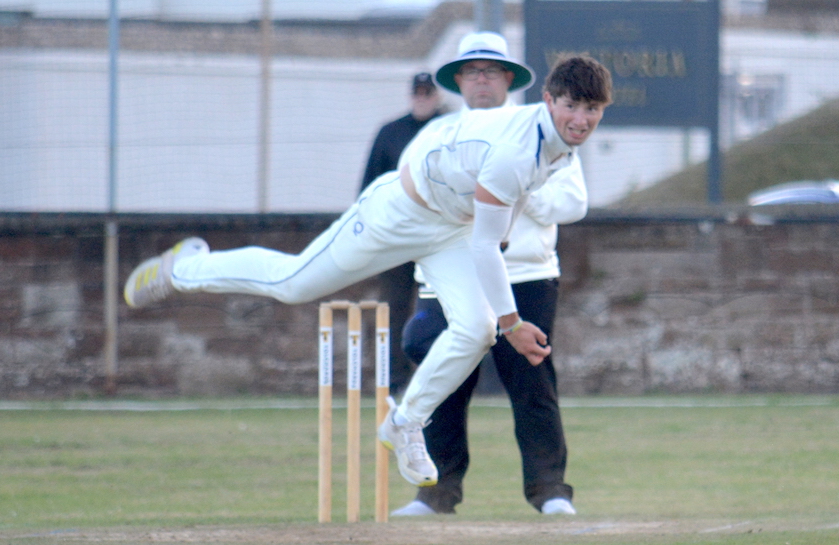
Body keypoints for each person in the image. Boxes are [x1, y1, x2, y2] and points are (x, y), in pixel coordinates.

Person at [123, 55, 613, 492]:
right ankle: (185, 267)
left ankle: (405, 422)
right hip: (397, 214)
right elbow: (488, 243)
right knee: (294, 284)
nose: (581, 119)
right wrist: (514, 323)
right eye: (571, 106)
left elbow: (504, 209)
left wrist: (500, 311)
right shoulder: (517, 149)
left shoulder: (554, 143)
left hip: (450, 229)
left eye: (591, 110)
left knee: (476, 329)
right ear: (549, 100)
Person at [390, 32, 585, 517]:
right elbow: (413, 200)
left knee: (532, 384)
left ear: (508, 79)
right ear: (458, 80)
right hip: (450, 278)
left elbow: (573, 202)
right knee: (444, 382)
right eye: (472, 71)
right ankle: (436, 492)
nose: (482, 79)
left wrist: (513, 189)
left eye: (492, 71)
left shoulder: (542, 131)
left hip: (526, 274)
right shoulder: (437, 134)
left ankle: (550, 490)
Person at [360, 72, 444, 395]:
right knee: (394, 308)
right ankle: (394, 378)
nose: (422, 98)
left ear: (437, 96)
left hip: (437, 238)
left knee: (441, 307)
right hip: (396, 236)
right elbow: (370, 185)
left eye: (427, 93)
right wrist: (371, 230)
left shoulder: (448, 130)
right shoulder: (390, 133)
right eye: (417, 93)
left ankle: (439, 376)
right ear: (410, 96)